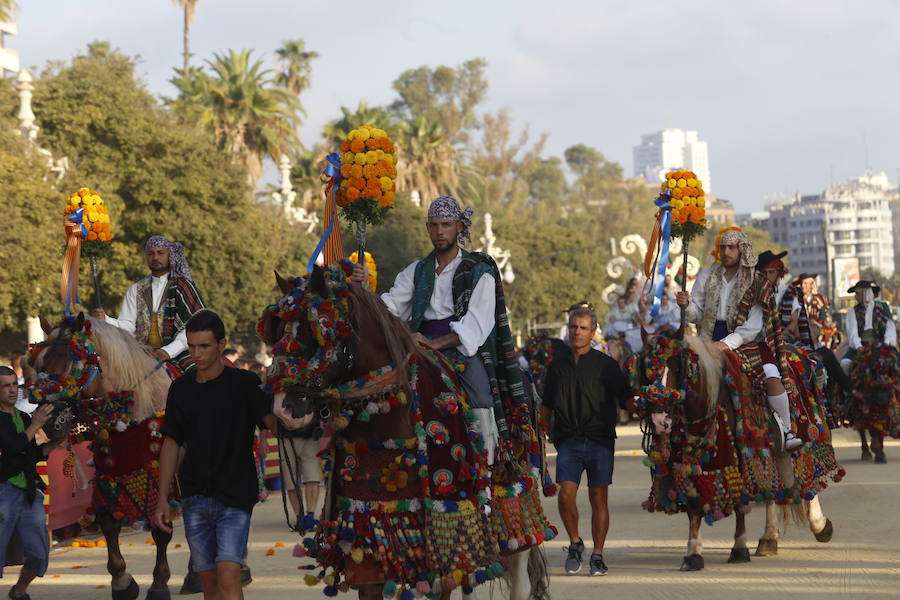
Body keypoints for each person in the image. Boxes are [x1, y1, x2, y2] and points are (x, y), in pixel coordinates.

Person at [351, 195, 511, 465]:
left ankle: (487, 467)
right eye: (434, 225)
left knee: (481, 397)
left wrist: (434, 344)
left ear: (459, 226)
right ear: (427, 228)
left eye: (446, 224)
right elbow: (389, 308)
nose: (440, 231)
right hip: (416, 344)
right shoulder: (416, 271)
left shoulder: (478, 270)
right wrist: (364, 289)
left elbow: (477, 323)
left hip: (459, 347)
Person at [153, 310, 275, 600]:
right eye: (192, 346)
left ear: (221, 345)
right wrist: (161, 499)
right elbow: (172, 443)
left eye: (204, 346)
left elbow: (272, 423)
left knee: (229, 574)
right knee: (208, 581)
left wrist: (287, 398)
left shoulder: (244, 384)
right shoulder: (180, 389)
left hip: (235, 494)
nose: (197, 353)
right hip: (195, 495)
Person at [676, 228, 802, 450]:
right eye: (723, 247)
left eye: (731, 247)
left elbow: (753, 327)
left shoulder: (756, 280)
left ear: (741, 249)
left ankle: (787, 430)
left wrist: (726, 344)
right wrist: (686, 306)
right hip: (707, 338)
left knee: (772, 377)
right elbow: (697, 313)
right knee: (682, 375)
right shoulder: (707, 275)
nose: (726, 251)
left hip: (747, 343)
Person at [540, 308, 629, 576]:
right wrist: (538, 430)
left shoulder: (606, 365)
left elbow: (626, 398)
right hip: (567, 441)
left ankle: (598, 555)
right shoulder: (556, 367)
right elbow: (546, 404)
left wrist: (654, 408)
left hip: (600, 440)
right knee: (565, 495)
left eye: (583, 328)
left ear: (593, 332)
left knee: (598, 498)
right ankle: (575, 543)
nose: (577, 332)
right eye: (573, 327)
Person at [92, 235, 204, 370]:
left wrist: (169, 351)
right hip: (142, 354)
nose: (155, 257)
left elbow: (196, 324)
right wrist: (106, 319)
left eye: (160, 253)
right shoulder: (137, 289)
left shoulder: (183, 286)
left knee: (197, 379)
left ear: (170, 255)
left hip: (180, 353)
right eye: (151, 254)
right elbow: (128, 326)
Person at [0, 366, 61, 600]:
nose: (13, 390)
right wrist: (35, 424)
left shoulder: (24, 417)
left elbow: (32, 454)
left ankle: (19, 591)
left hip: (28, 491)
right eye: (6, 385)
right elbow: (13, 446)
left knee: (38, 553)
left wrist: (58, 439)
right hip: (3, 491)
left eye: (15, 384)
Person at [840, 280, 897, 374]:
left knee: (894, 362)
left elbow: (890, 328)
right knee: (845, 363)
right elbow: (853, 333)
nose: (855, 296)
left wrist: (886, 344)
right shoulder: (853, 311)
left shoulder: (882, 307)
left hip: (880, 344)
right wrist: (859, 346)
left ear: (866, 293)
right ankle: (848, 387)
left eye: (858, 293)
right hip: (860, 346)